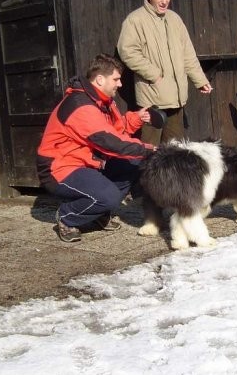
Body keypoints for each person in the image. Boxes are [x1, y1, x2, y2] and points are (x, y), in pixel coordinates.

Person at [36, 54, 157, 243]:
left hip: (87, 164)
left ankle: (97, 213)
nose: (120, 84)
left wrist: (137, 118)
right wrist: (149, 149)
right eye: (116, 79)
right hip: (60, 168)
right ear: (100, 79)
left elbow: (115, 130)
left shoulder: (103, 101)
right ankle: (68, 217)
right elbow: (108, 141)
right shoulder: (80, 105)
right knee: (109, 197)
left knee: (133, 164)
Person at [117, 0, 213, 146]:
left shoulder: (175, 19)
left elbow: (188, 54)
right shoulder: (135, 20)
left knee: (176, 151)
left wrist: (200, 80)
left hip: (176, 99)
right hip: (152, 100)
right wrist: (153, 74)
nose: (164, 1)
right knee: (150, 150)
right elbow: (127, 51)